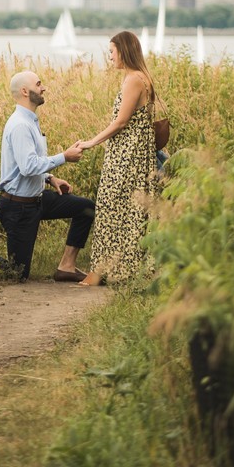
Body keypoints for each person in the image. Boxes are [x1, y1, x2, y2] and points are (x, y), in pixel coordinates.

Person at [0, 69, 93, 282]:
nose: (43, 87)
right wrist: (64, 157)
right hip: (18, 207)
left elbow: (29, 163)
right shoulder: (20, 124)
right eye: (38, 84)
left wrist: (49, 178)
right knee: (17, 274)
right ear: (24, 91)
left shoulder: (31, 120)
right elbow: (28, 167)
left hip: (37, 199)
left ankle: (67, 266)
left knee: (86, 208)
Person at [77, 31, 159, 287]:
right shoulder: (137, 77)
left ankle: (102, 271)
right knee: (126, 208)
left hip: (129, 155)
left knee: (111, 206)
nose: (110, 56)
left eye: (111, 51)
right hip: (128, 152)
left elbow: (121, 121)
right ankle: (120, 269)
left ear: (123, 50)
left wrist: (92, 141)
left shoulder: (135, 79)